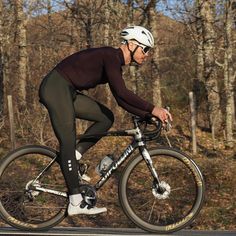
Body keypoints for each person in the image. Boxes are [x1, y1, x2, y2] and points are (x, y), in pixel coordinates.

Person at [39, 26, 172, 216]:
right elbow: (122, 93)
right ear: (132, 45)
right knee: (67, 141)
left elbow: (120, 100)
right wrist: (153, 109)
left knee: (106, 117)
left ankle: (74, 158)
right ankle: (75, 201)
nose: (147, 54)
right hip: (55, 87)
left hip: (67, 91)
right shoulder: (111, 56)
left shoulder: (114, 63)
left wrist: (147, 115)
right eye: (145, 49)